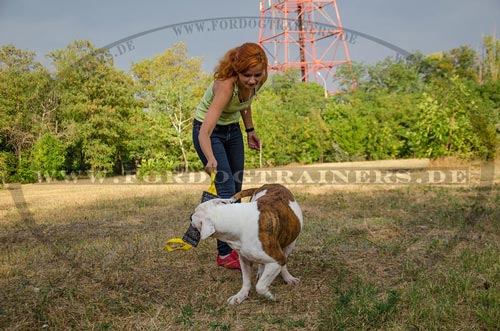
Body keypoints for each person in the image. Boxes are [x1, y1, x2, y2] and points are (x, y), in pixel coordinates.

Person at [192, 42, 268, 270]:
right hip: (209, 132)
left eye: (257, 75)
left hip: (233, 130)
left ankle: (240, 245)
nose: (253, 80)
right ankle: (225, 254)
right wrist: (209, 157)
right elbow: (204, 130)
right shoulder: (226, 86)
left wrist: (250, 130)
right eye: (247, 75)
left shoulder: (259, 79)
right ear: (236, 70)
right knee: (225, 191)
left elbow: (245, 102)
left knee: (237, 190)